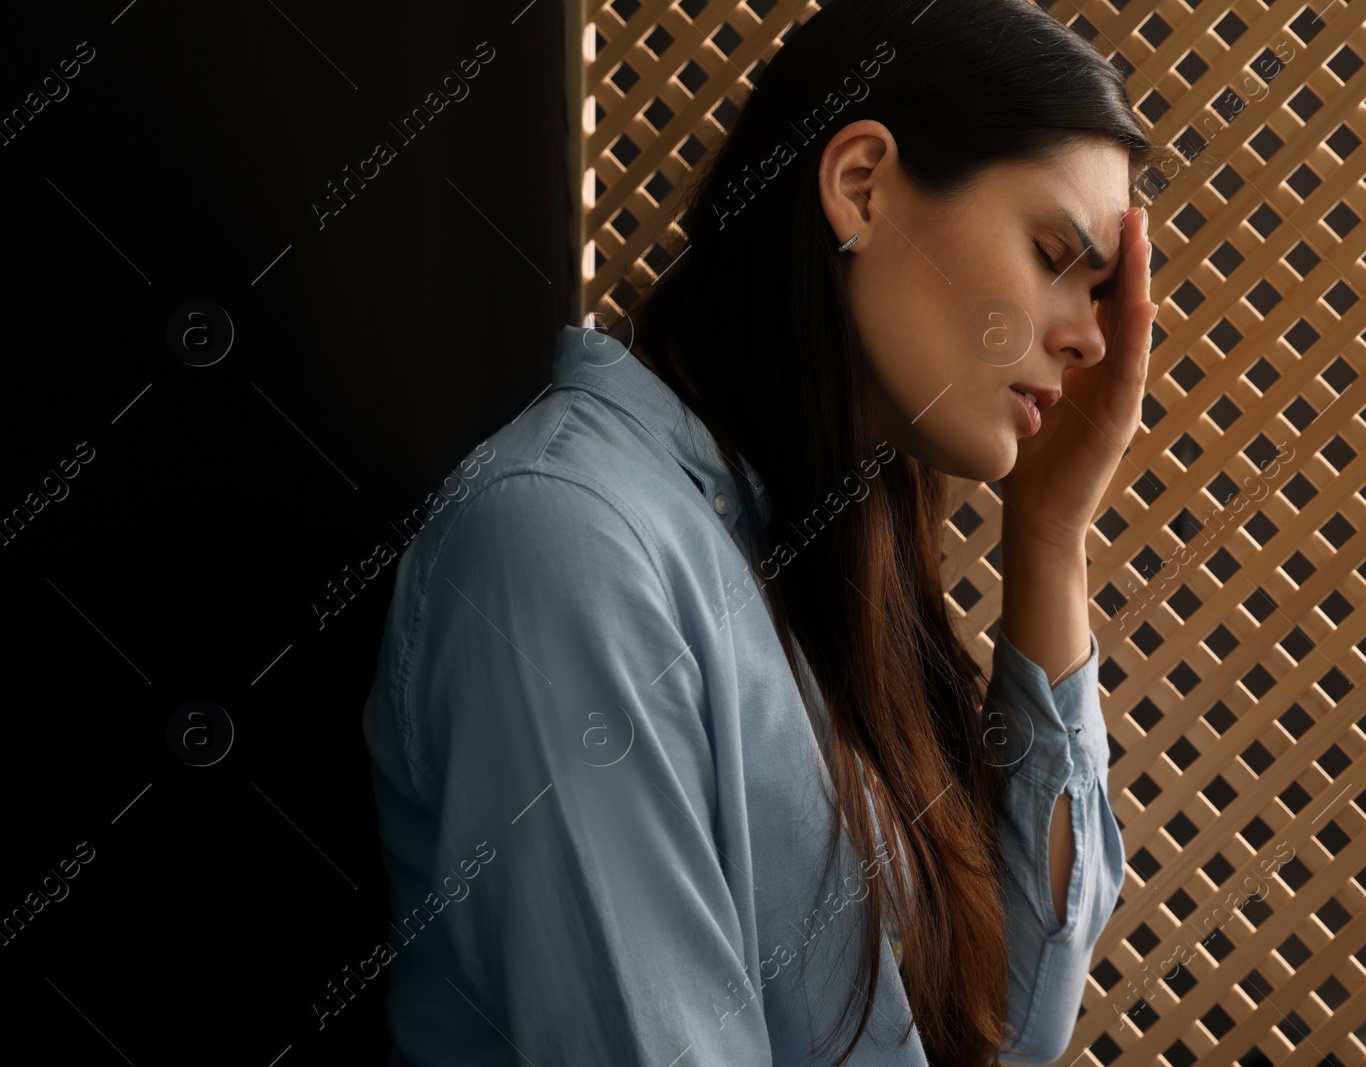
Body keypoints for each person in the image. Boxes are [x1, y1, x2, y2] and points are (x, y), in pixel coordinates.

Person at [361, 0, 1171, 1062]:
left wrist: (1050, 537)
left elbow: (1010, 1023)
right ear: (860, 187)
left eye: (1106, 291)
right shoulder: (567, 546)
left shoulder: (816, 551)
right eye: (1055, 253)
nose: (1086, 335)